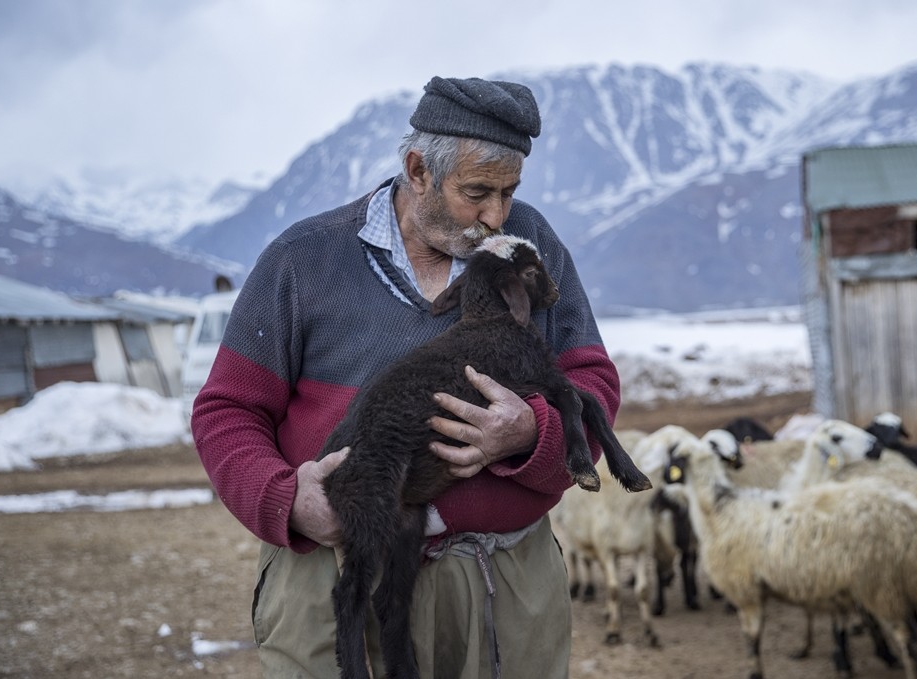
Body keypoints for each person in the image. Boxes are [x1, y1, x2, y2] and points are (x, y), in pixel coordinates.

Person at [191, 76, 620, 679]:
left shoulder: (528, 246)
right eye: (477, 192)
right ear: (418, 170)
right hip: (335, 578)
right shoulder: (305, 258)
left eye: (509, 191)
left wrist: (532, 434)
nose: (497, 216)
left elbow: (590, 379)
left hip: (501, 591)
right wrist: (286, 500)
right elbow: (227, 411)